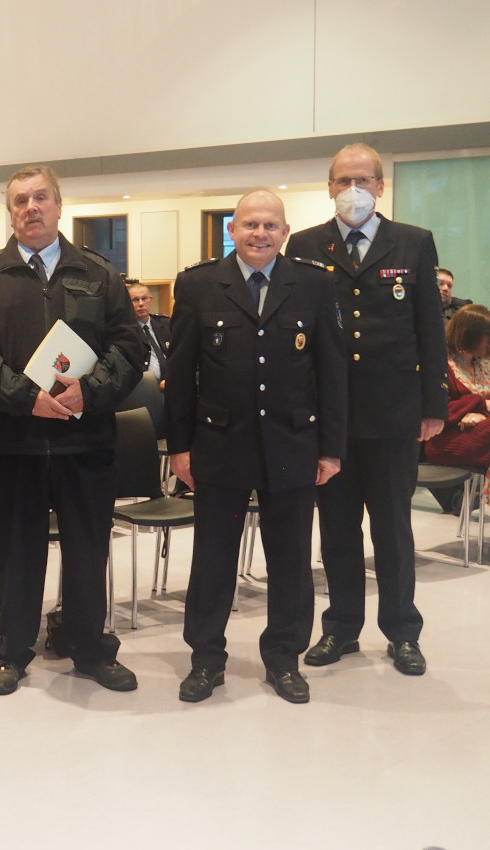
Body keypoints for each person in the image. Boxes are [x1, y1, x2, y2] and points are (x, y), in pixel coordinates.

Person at [0, 165, 146, 696]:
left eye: (41, 198)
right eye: (21, 200)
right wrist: (27, 399)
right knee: (16, 551)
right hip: (12, 442)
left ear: (60, 207)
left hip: (86, 442)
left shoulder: (99, 274)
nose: (31, 207)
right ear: (10, 211)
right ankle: (12, 651)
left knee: (88, 548)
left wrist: (91, 390)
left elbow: (130, 350)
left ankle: (90, 649)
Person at [165, 189, 347, 704]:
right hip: (219, 443)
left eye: (270, 226)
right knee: (212, 560)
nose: (259, 234)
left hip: (293, 442)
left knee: (290, 560)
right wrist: (180, 447)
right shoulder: (199, 284)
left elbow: (333, 374)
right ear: (232, 229)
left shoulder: (313, 284)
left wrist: (331, 448)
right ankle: (205, 660)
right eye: (249, 225)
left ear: (285, 232)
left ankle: (284, 659)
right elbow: (180, 376)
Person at [285, 143, 447, 677]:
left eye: (363, 179)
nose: (352, 189)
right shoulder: (306, 245)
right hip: (330, 417)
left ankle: (402, 631)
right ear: (329, 187)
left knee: (394, 528)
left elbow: (429, 330)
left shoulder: (414, 242)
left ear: (380, 186)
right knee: (335, 528)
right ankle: (341, 628)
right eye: (341, 180)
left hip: (395, 412)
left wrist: (434, 406)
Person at [424, 305, 490, 475]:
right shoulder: (442, 366)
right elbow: (439, 411)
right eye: (486, 335)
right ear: (469, 333)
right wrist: (479, 404)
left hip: (479, 430)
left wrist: (479, 414)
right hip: (447, 438)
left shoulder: (483, 364)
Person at [128, 280, 171, 389]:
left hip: (173, 383)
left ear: (150, 300)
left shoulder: (166, 324)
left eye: (144, 298)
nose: (141, 304)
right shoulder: (126, 331)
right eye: (135, 300)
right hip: (146, 388)